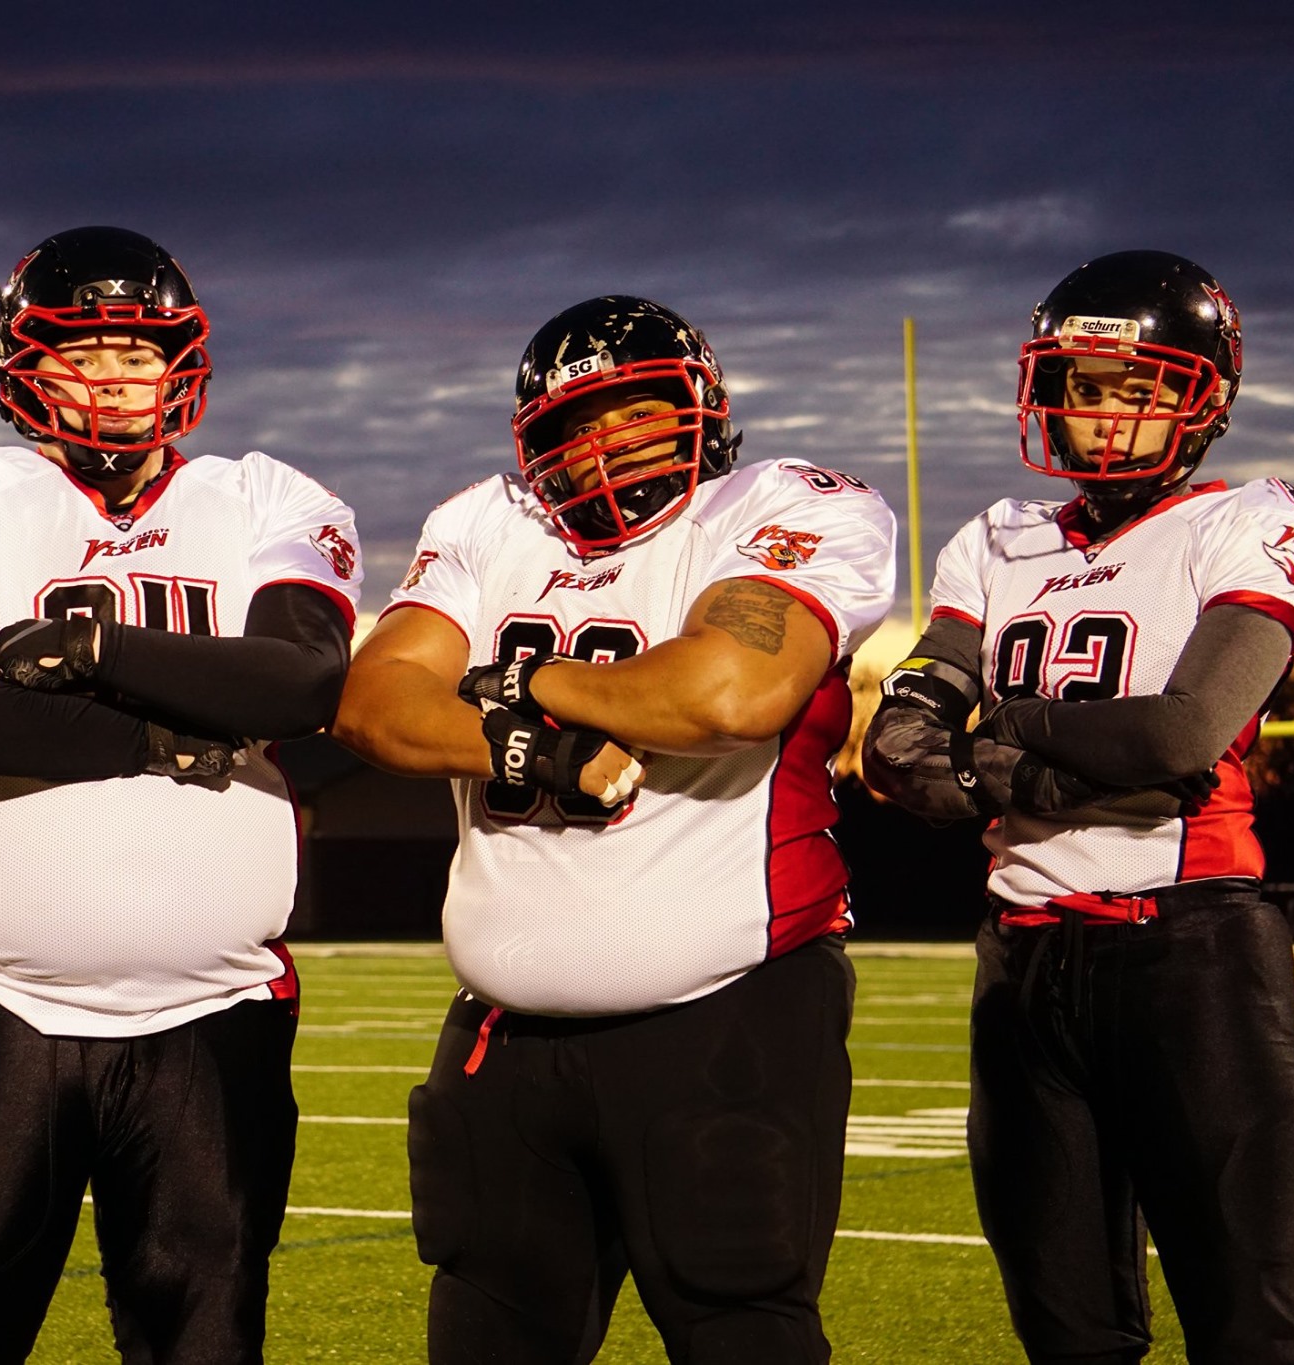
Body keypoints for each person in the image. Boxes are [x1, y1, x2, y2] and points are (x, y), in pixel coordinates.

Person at [332, 295, 896, 1364]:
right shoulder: (484, 522)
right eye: (571, 428)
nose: (602, 448)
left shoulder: (787, 508)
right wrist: (527, 743)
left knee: (740, 1327)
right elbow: (372, 702)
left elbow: (723, 694)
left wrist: (515, 679)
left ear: (700, 409)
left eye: (632, 414)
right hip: (506, 1039)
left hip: (726, 1017)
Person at [0, 225, 361, 1365]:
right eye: (79, 352)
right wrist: (168, 728)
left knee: (202, 1343)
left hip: (213, 1011)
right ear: (20, 366)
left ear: (180, 362)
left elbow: (298, 681)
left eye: (136, 354)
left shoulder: (266, 495)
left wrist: (91, 651)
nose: (111, 379)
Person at [861, 250, 1294, 1365]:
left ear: (1201, 395)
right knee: (1066, 1332)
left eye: (1139, 389)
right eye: (1082, 387)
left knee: (1249, 1335)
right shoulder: (996, 539)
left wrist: (996, 736)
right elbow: (894, 744)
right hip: (1020, 965)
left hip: (1191, 956)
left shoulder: (1254, 520)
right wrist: (1032, 765)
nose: (1106, 419)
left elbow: (1178, 734)